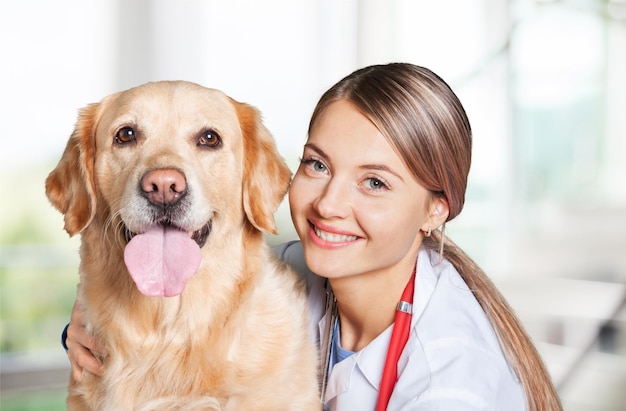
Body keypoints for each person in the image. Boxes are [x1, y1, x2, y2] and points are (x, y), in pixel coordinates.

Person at [62, 63, 562, 410]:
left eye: (375, 183)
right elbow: (183, 284)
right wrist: (87, 326)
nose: (328, 205)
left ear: (435, 209)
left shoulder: (451, 383)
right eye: (318, 165)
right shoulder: (285, 275)